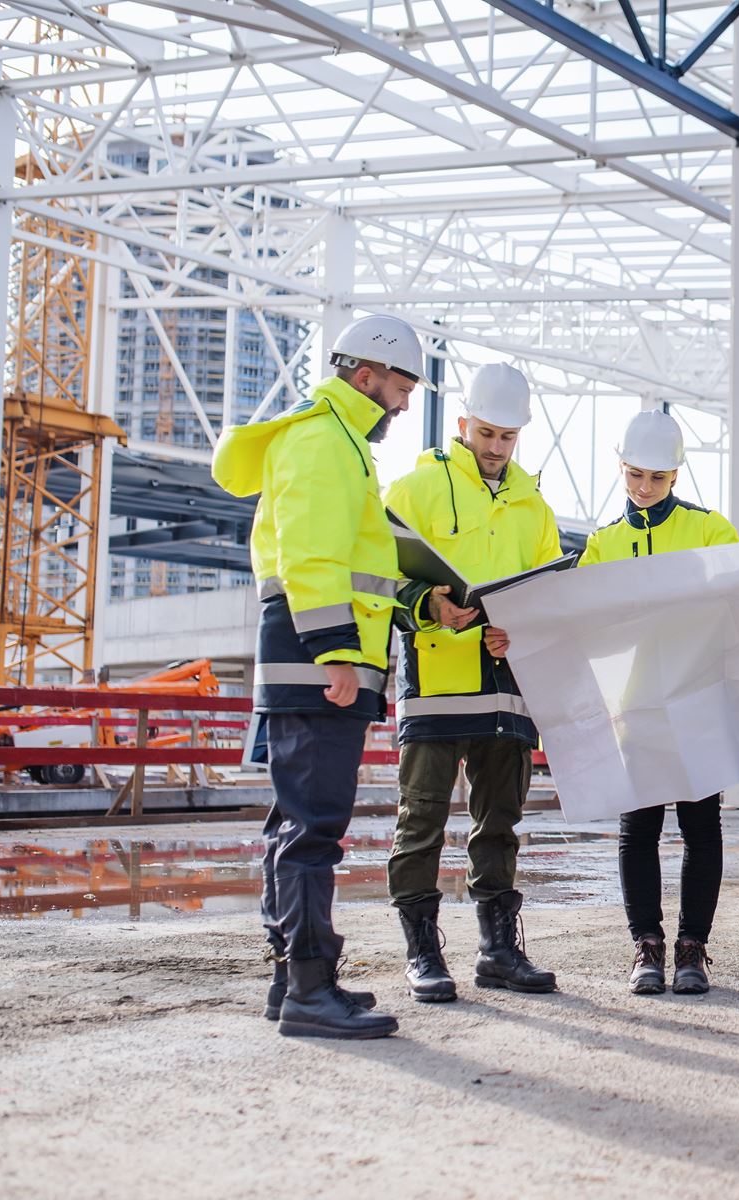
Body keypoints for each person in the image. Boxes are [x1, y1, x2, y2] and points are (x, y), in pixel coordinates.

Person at [212, 313, 430, 1039]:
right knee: (312, 829)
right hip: (317, 661)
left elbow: (358, 562)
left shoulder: (336, 442)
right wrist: (337, 653)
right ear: (364, 375)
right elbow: (310, 557)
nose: (402, 404)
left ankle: (294, 980)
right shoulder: (320, 440)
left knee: (295, 825)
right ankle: (309, 989)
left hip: (316, 658)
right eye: (399, 387)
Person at [384, 362, 561, 1001]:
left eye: (507, 437)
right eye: (486, 433)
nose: (495, 448)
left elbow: (549, 597)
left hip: (507, 684)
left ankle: (499, 950)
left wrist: (524, 628)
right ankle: (423, 953)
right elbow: (376, 575)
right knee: (422, 816)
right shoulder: (415, 489)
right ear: (463, 424)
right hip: (436, 680)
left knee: (500, 822)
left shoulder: (534, 508)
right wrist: (426, 603)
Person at [578, 410, 739, 996]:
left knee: (702, 826)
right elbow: (582, 623)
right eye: (635, 474)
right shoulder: (602, 544)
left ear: (677, 475)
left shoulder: (710, 530)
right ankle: (645, 946)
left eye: (658, 478)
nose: (645, 488)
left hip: (698, 700)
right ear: (621, 467)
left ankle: (693, 947)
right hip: (637, 706)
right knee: (638, 828)